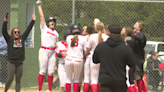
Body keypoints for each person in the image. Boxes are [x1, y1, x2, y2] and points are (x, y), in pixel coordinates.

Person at [93, 24, 136, 92]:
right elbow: (132, 64)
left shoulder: (101, 46)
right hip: (120, 80)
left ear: (108, 32)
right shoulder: (126, 48)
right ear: (120, 33)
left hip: (105, 81)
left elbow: (95, 60)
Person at [2, 13, 36, 92]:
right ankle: (5, 90)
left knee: (18, 80)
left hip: (19, 63)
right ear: (12, 33)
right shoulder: (9, 39)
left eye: (18, 32)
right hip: (11, 62)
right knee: (10, 79)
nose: (17, 33)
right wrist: (5, 22)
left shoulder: (22, 38)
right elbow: (4, 32)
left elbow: (28, 30)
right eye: (15, 32)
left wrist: (33, 21)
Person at [36, 0, 59, 92]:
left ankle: (49, 90)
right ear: (47, 23)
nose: (52, 22)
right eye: (50, 21)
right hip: (44, 51)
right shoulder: (44, 28)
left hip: (52, 52)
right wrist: (39, 6)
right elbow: (41, 17)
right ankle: (40, 89)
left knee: (51, 71)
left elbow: (57, 46)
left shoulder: (56, 33)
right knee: (42, 71)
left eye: (53, 21)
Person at [85, 22, 109, 92]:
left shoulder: (92, 36)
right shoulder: (106, 37)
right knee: (99, 79)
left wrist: (85, 54)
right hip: (103, 59)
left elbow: (87, 48)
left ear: (96, 28)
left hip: (93, 58)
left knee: (93, 79)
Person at [65, 23, 85, 92]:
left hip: (68, 59)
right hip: (78, 60)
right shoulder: (83, 38)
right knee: (76, 79)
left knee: (68, 79)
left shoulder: (68, 37)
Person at [121, 26, 137, 92]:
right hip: (130, 62)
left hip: (127, 63)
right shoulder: (131, 40)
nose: (121, 31)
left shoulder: (127, 41)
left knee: (127, 81)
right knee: (131, 81)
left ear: (126, 32)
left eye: (123, 30)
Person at [133, 21, 147, 92]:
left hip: (137, 58)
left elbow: (139, 38)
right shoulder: (136, 34)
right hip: (135, 58)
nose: (134, 26)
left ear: (139, 27)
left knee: (137, 76)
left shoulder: (140, 35)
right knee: (137, 77)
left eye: (136, 25)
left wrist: (131, 35)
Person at [83, 23, 95, 92]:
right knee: (94, 79)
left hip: (87, 57)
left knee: (86, 78)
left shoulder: (84, 37)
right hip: (95, 58)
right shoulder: (96, 36)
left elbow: (85, 50)